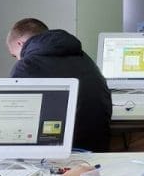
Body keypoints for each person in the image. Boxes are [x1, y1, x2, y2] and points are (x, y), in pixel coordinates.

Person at [7, 18, 112, 152]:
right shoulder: (83, 57)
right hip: (97, 146)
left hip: (53, 153)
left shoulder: (26, 65)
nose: (18, 58)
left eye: (14, 55)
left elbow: (14, 117)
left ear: (20, 43)